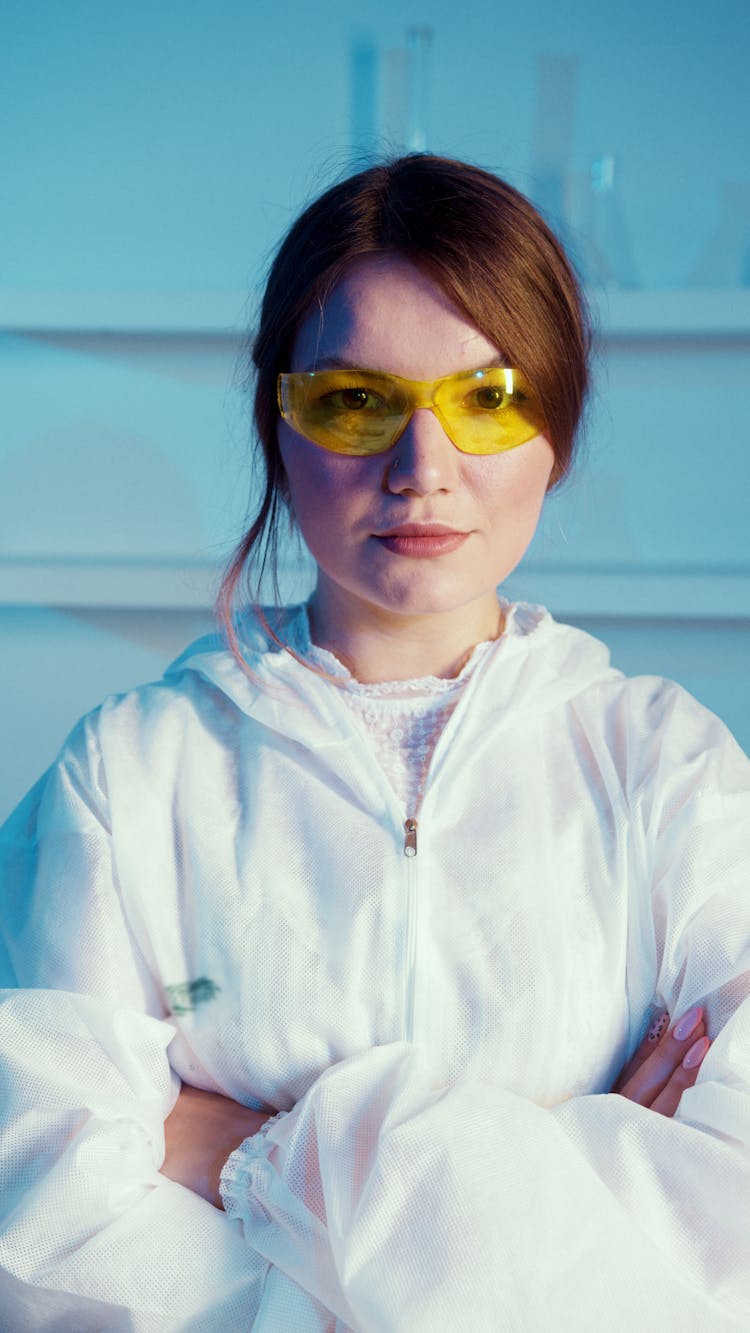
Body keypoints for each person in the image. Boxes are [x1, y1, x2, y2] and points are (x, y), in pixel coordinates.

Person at [0, 153, 748, 1332]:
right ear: (278, 424)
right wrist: (557, 1174)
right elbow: (44, 1223)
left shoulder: (668, 767)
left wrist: (249, 1155)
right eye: (356, 400)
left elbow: (734, 1224)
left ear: (554, 424)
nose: (423, 470)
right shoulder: (130, 778)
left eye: (486, 396)